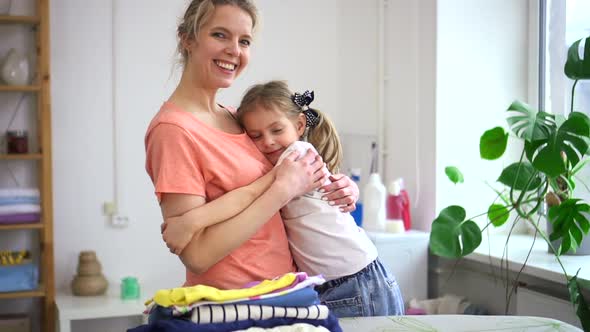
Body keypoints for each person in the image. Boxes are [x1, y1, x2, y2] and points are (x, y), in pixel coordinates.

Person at [144, 0, 359, 292]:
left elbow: (291, 176)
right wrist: (282, 188)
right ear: (187, 39)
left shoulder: (238, 117)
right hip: (238, 302)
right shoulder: (173, 131)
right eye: (220, 35)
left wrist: (338, 186)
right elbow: (197, 256)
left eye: (244, 40)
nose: (234, 50)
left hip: (287, 291)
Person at [164, 80, 405, 318]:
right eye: (255, 136)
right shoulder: (289, 160)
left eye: (277, 130)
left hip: (354, 282)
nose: (268, 141)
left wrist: (191, 221)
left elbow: (246, 196)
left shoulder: (296, 156)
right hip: (343, 280)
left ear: (299, 125)